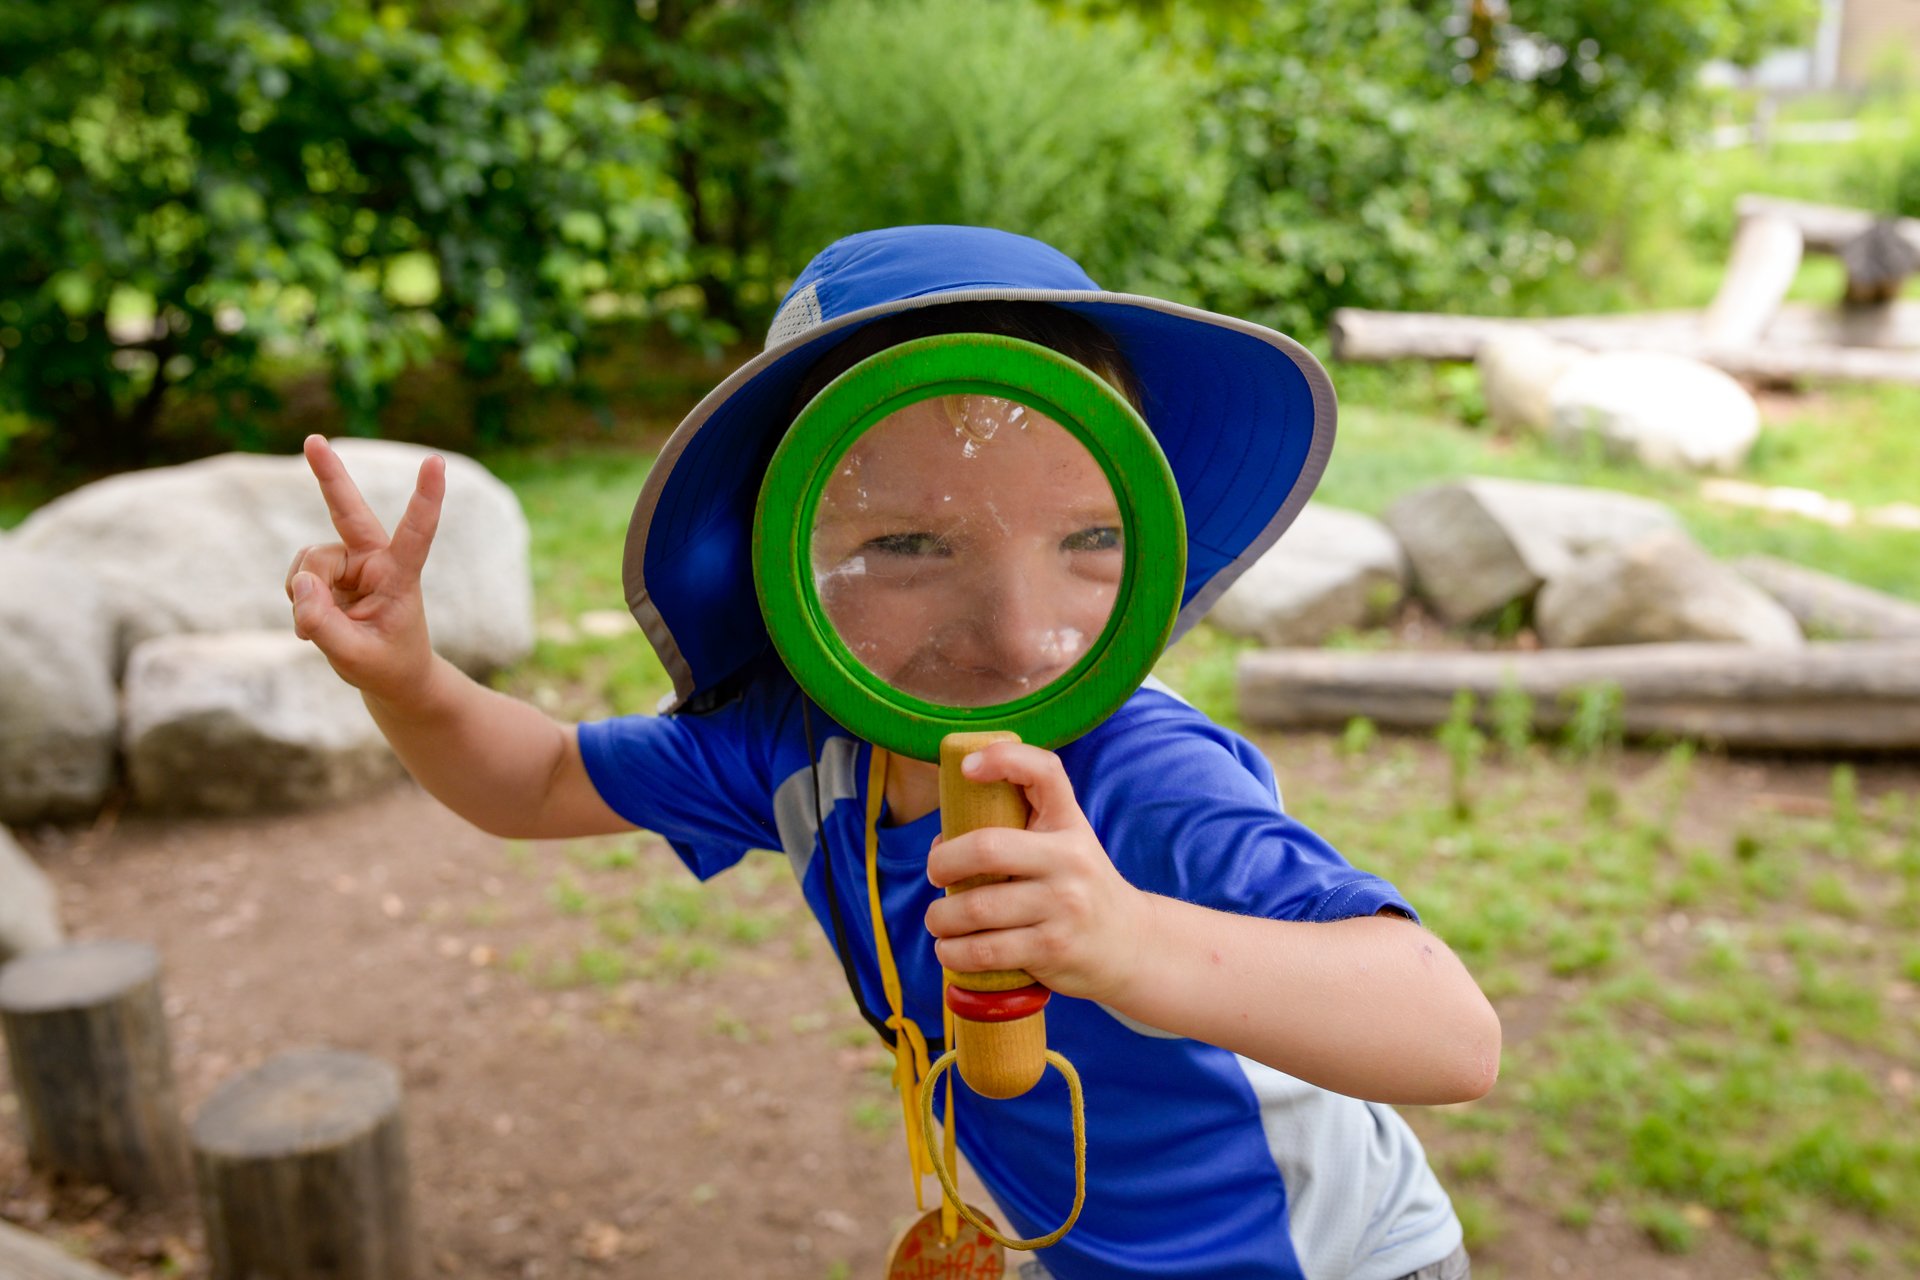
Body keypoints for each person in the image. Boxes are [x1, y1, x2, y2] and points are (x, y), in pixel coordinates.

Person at [287, 225, 1499, 1280]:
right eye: (915, 544)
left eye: (1085, 534)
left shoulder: (1144, 774)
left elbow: (1450, 1032)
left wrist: (1129, 938)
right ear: (789, 550)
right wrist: (406, 675)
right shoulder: (799, 745)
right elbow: (540, 780)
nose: (1018, 633)